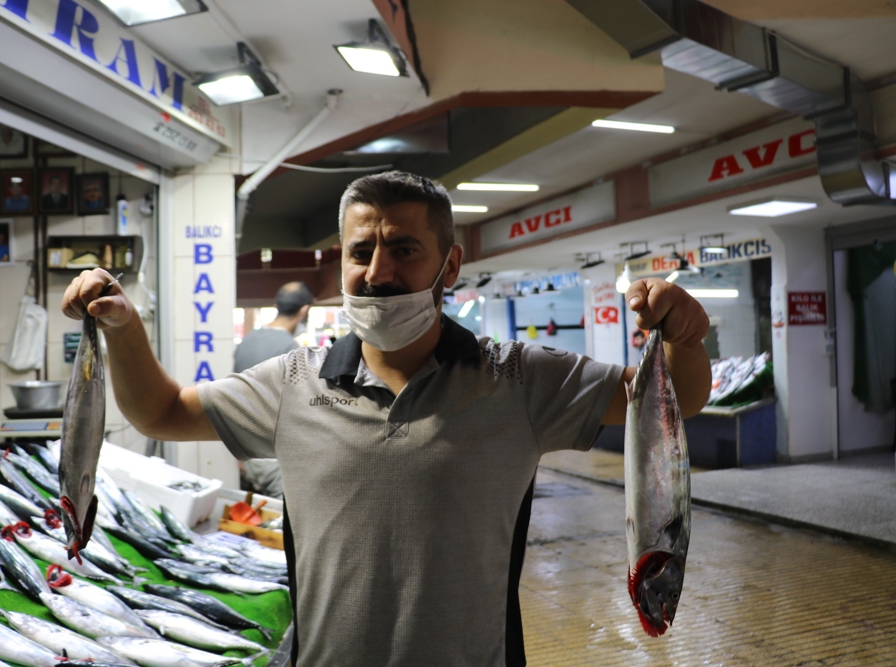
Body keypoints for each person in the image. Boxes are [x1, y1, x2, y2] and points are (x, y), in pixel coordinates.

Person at [61, 171, 711, 667]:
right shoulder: (293, 383)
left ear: (449, 265)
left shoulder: (517, 379)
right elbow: (163, 411)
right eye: (361, 250)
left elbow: (667, 405)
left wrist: (684, 336)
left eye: (403, 249)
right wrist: (124, 327)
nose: (377, 272)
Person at [231, 282, 314, 499]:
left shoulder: (247, 341)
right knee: (283, 522)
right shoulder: (291, 350)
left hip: (246, 454)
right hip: (276, 458)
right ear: (304, 310)